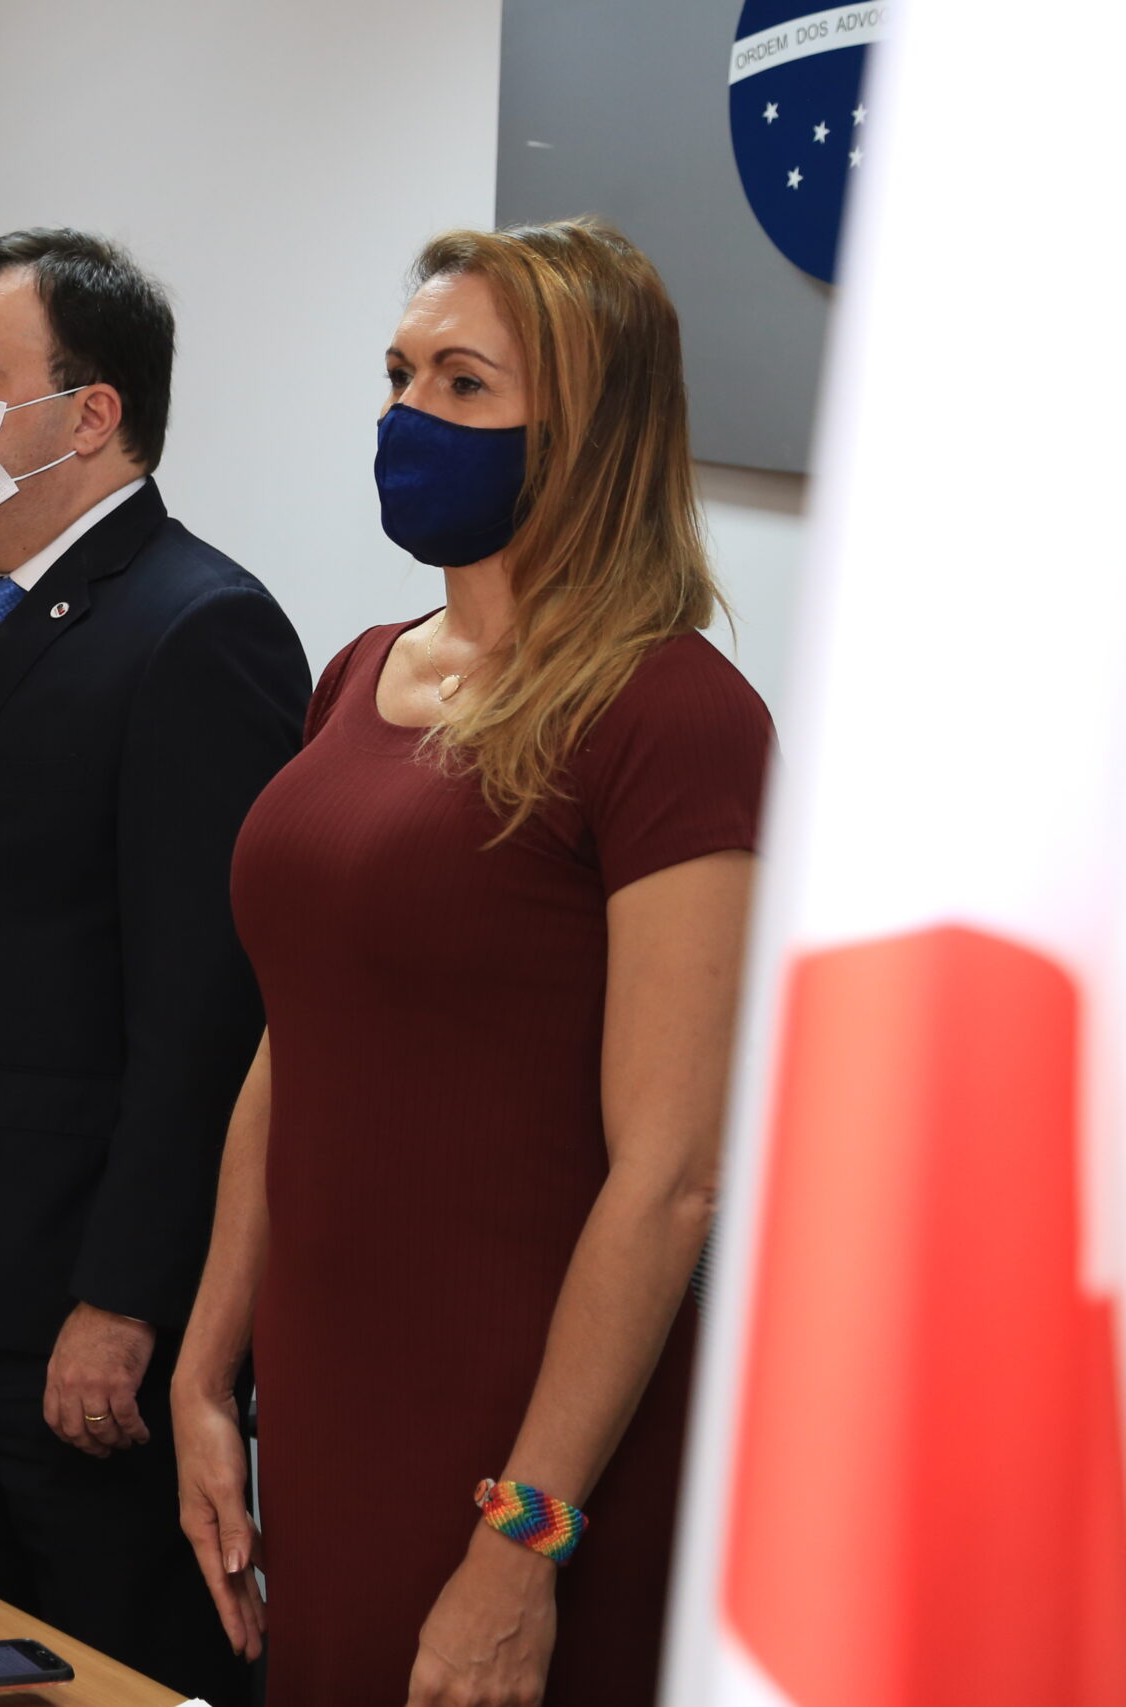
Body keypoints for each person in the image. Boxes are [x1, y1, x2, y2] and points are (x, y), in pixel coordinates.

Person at [173, 219, 774, 1707]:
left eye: (463, 384)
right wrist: (205, 1365)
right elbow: (299, 1036)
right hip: (327, 1381)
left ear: (588, 432)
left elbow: (674, 1175)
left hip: (523, 1421)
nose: (407, 417)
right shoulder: (359, 670)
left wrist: (526, 1538)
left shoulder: (672, 715)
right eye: (399, 375)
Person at [0, 229, 308, 1703]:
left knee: (108, 1661)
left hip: (65, 1303)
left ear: (91, 412)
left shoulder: (199, 625)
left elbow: (206, 1010)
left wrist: (127, 1297)